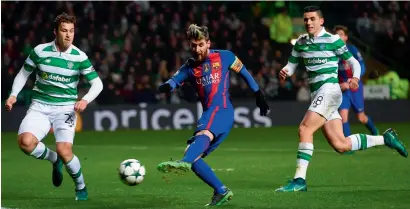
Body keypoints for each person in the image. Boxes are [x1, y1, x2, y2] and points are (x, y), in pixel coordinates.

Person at [275, 6, 408, 192]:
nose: (308, 22)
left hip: (329, 90)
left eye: (312, 18)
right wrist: (285, 72)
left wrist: (355, 77)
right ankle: (385, 139)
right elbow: (292, 64)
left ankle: (299, 181)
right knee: (341, 144)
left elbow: (353, 62)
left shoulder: (333, 40)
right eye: (306, 19)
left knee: (305, 128)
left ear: (321, 21)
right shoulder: (301, 42)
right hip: (319, 94)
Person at [156, 24, 270, 206]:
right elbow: (174, 80)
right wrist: (166, 86)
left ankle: (183, 162)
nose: (197, 49)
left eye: (201, 44)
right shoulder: (189, 67)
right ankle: (221, 190)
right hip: (212, 113)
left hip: (221, 110)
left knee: (200, 139)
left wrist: (258, 94)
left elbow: (245, 73)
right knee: (193, 154)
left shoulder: (225, 56)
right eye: (193, 45)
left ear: (208, 43)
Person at [4, 13, 103, 200]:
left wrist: (85, 99)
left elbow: (98, 84)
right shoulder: (40, 52)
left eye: (71, 31)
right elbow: (23, 74)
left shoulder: (79, 57)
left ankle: (80, 187)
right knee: (25, 143)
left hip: (65, 109)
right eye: (64, 31)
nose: (68, 35)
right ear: (55, 32)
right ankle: (53, 159)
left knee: (65, 151)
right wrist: (13, 95)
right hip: (40, 107)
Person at [334, 25, 379, 137]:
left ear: (346, 37)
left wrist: (355, 78)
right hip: (343, 88)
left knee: (361, 117)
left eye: (340, 34)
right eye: (336, 35)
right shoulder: (332, 53)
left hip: (355, 88)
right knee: (343, 115)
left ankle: (375, 132)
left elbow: (361, 66)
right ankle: (348, 145)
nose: (338, 37)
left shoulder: (352, 49)